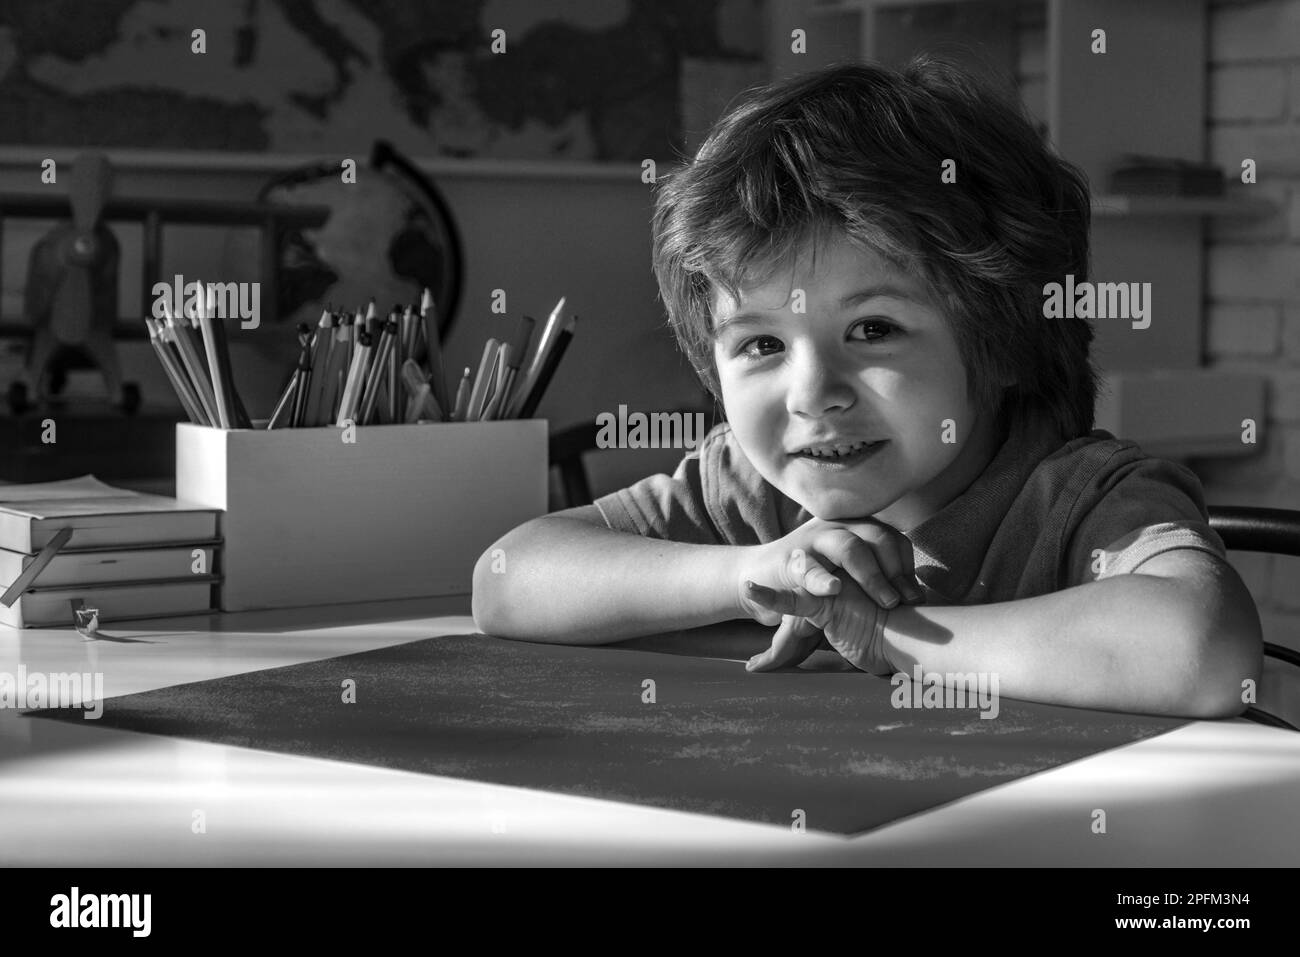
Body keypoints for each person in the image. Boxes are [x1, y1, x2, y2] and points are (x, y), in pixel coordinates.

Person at [473, 58, 1261, 719]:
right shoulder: (746, 492)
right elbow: (506, 579)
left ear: (1006, 337)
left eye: (874, 330)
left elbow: (1202, 649)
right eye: (762, 344)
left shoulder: (1078, 499)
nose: (812, 393)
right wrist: (754, 575)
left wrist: (880, 634)